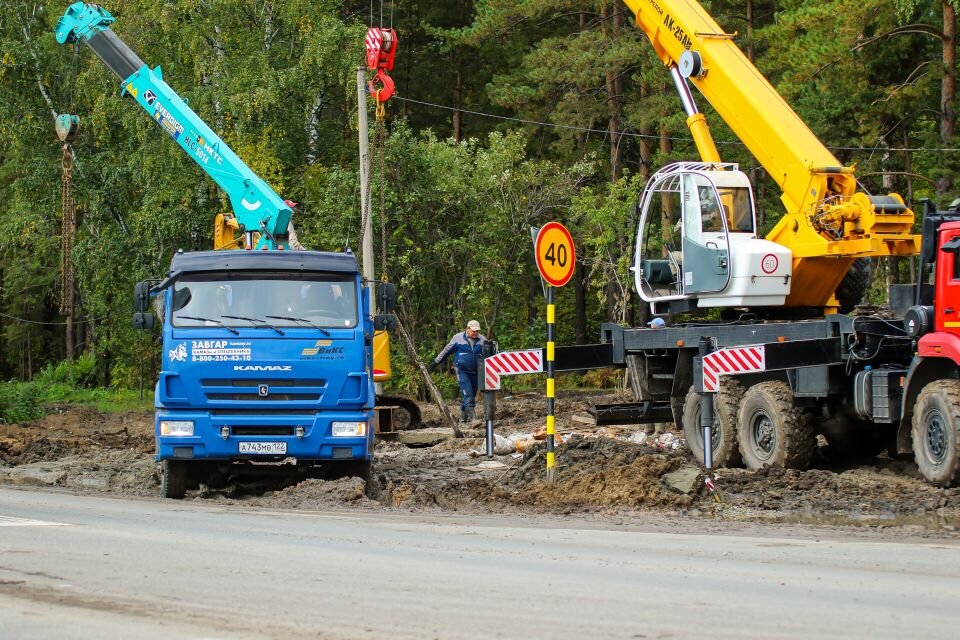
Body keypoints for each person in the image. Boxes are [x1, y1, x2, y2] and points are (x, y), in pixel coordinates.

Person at [428, 319, 487, 423]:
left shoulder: (483, 340)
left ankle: (462, 420)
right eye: (473, 331)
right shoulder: (458, 338)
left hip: (477, 371)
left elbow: (489, 355)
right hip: (461, 370)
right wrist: (435, 363)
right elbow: (446, 351)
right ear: (467, 329)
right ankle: (473, 419)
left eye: (477, 331)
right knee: (468, 393)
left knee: (471, 395)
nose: (475, 333)